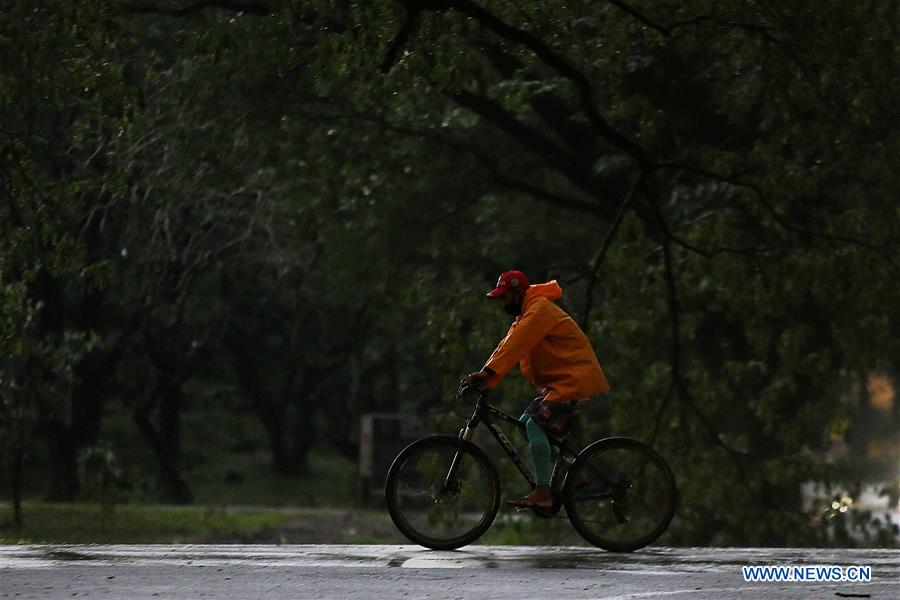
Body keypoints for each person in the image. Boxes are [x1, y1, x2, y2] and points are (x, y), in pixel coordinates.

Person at [463, 270, 610, 509]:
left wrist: (488, 374)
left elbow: (517, 343)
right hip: (563, 384)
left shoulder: (539, 310)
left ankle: (544, 494)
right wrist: (485, 374)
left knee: (534, 425)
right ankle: (575, 470)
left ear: (518, 292)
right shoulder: (527, 314)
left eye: (505, 296)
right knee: (525, 424)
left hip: (575, 383)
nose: (503, 302)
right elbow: (506, 345)